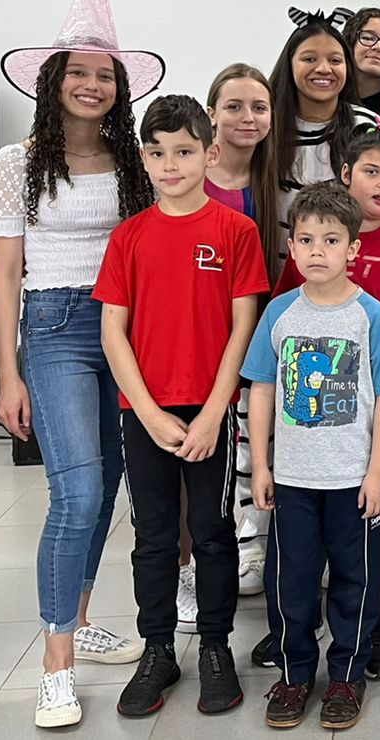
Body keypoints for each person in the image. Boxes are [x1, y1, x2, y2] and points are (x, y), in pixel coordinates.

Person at [0, 0, 162, 725]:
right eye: (79, 73)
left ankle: (81, 619)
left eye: (105, 76)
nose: (92, 86)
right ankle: (55, 665)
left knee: (108, 487)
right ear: (53, 81)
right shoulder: (15, 164)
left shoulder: (135, 164)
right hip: (54, 326)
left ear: (120, 90)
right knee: (78, 494)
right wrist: (7, 373)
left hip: (125, 327)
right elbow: (3, 275)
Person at [95, 95, 269, 717]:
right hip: (145, 411)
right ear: (144, 159)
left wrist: (215, 411)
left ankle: (216, 646)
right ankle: (158, 648)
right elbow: (113, 332)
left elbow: (243, 327)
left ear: (210, 154)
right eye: (158, 153)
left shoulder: (236, 232)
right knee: (154, 534)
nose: (170, 165)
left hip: (210, 410)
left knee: (215, 532)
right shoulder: (128, 237)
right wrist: (146, 412)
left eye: (184, 152)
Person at [244, 183, 380, 730]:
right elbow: (262, 390)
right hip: (293, 480)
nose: (317, 250)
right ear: (292, 247)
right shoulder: (279, 313)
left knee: (353, 582)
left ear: (352, 249)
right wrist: (262, 466)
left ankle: (346, 676)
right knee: (289, 582)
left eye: (331, 240)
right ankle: (294, 675)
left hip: (352, 481)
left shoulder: (370, 316)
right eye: (306, 240)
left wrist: (377, 472)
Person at [265, 125, 380, 677]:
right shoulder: (313, 242)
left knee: (376, 524)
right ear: (345, 176)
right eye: (371, 171)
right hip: (307, 432)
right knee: (302, 538)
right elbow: (279, 341)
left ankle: (376, 623)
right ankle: (295, 627)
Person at [204, 63, 282, 605]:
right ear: (212, 113)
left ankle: (259, 544)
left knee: (258, 442)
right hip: (205, 330)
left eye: (258, 107)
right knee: (215, 448)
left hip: (262, 332)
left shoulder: (276, 178)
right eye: (233, 106)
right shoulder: (190, 174)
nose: (247, 118)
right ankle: (214, 551)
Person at [270, 7, 379, 266]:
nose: (323, 68)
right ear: (289, 64)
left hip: (346, 275)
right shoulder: (267, 126)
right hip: (275, 274)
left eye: (335, 60)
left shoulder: (366, 127)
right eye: (309, 59)